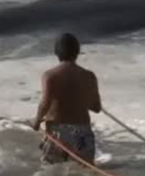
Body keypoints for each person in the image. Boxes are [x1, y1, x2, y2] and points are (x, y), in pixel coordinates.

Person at [32, 33, 102, 165]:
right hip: (83, 132)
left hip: (58, 132)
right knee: (85, 171)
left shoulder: (50, 76)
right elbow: (96, 108)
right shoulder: (89, 76)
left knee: (51, 173)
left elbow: (45, 103)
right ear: (77, 52)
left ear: (56, 52)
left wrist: (36, 122)